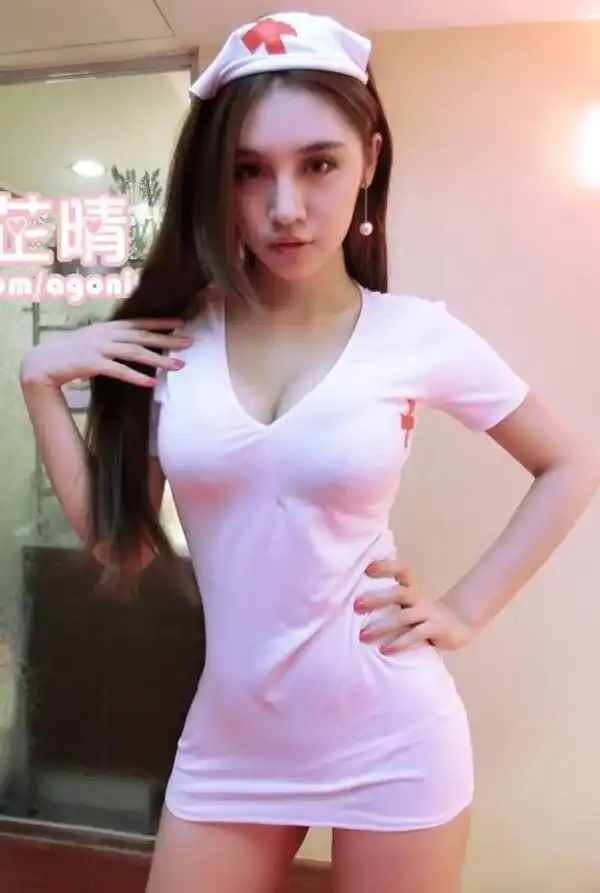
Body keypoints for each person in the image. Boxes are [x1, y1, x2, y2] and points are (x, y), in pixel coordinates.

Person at [19, 11, 599, 893]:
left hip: (393, 734)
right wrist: (38, 384)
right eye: (248, 170)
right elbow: (119, 542)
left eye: (318, 164)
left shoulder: (415, 335)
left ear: (369, 160)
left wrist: (464, 608)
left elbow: (569, 462)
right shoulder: (177, 339)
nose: (284, 207)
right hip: (231, 742)